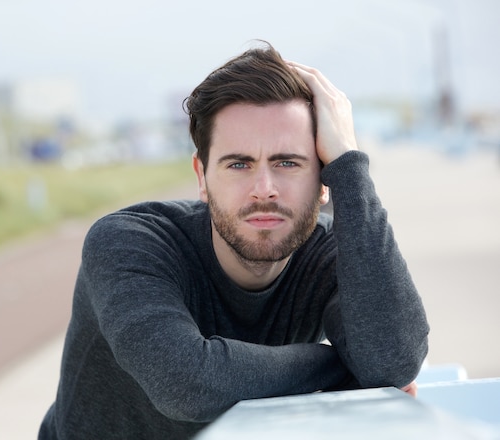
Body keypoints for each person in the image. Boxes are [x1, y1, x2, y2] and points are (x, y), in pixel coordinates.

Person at [39, 42, 429, 440]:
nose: (264, 189)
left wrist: (350, 165)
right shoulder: (130, 243)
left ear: (324, 179)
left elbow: (391, 363)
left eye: (287, 163)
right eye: (239, 164)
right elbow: (185, 384)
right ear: (202, 176)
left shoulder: (327, 256)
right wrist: (343, 365)